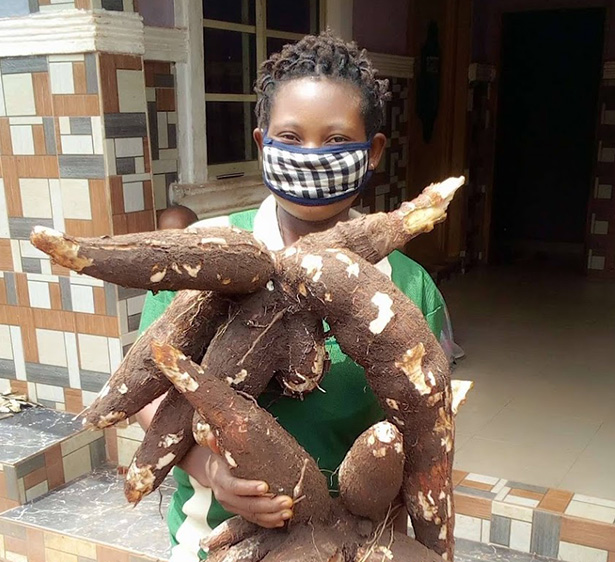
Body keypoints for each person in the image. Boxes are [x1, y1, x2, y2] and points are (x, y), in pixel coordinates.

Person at [137, 32, 452, 562]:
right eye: (291, 136)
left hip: (360, 542)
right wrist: (213, 471)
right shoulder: (204, 258)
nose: (311, 157)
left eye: (335, 141)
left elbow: (427, 430)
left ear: (372, 152)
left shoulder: (408, 283)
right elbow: (149, 392)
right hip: (217, 539)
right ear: (263, 144)